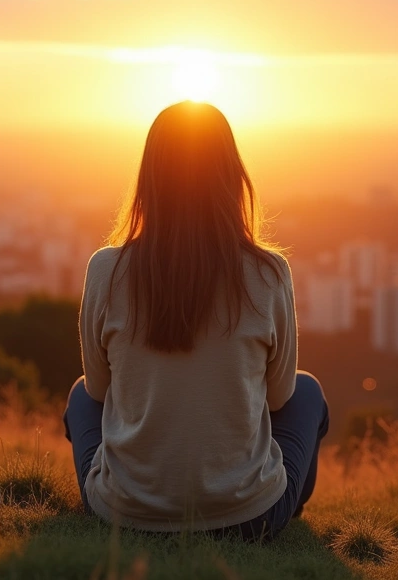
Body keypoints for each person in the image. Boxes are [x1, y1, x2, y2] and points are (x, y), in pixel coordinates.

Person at [63, 101, 329, 542]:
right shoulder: (267, 272)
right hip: (249, 520)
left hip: (126, 517)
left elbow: (97, 388)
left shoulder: (106, 270)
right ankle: (284, 504)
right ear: (231, 176)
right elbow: (280, 398)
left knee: (79, 397)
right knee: (306, 391)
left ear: (150, 178)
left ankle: (132, 487)